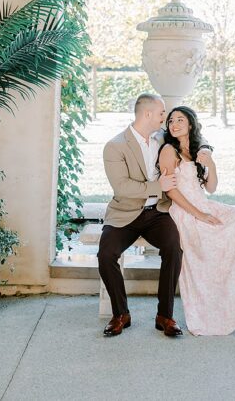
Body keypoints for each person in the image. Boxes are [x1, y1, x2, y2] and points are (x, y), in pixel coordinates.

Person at [157, 105, 235, 336]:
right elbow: (171, 191)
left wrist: (210, 164)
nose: (174, 124)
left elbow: (211, 187)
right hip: (185, 210)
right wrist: (199, 214)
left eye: (180, 120)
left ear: (190, 124)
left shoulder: (196, 151)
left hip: (204, 203)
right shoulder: (168, 151)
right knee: (216, 244)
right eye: (171, 120)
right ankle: (226, 310)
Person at [98, 92, 183, 337]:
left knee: (174, 249)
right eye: (161, 113)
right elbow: (122, 187)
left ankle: (165, 315)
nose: (164, 118)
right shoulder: (115, 146)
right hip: (124, 213)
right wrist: (160, 186)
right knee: (106, 254)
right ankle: (121, 313)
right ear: (147, 114)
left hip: (158, 212)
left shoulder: (162, 139)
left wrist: (206, 150)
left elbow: (191, 139)